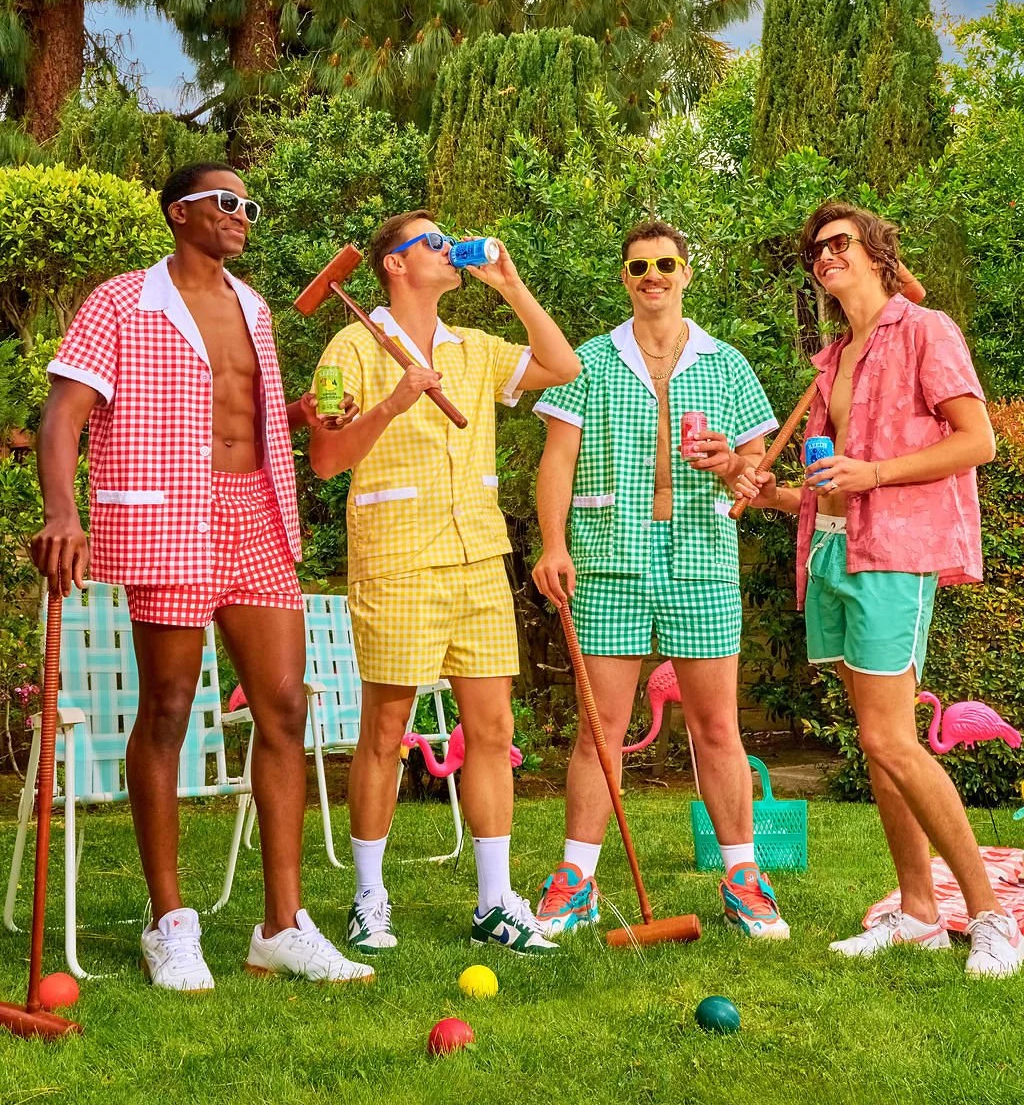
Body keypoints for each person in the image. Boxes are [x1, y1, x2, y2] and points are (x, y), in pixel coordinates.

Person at [31, 162, 373, 991]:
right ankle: (170, 923)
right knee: (172, 705)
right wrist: (63, 513)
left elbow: (245, 415)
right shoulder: (120, 301)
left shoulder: (254, 306)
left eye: (249, 206)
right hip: (166, 513)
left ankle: (282, 927)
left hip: (253, 510)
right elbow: (64, 413)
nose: (243, 216)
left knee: (285, 703)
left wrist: (301, 417)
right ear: (181, 213)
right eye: (228, 203)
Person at [747, 200, 1023, 978]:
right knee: (880, 745)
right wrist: (755, 484)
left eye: (838, 244)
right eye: (815, 250)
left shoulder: (926, 332)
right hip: (834, 551)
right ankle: (918, 913)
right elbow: (823, 494)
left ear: (874, 253)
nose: (824, 256)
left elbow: (979, 440)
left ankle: (991, 916)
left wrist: (871, 475)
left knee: (890, 739)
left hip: (895, 554)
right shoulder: (833, 359)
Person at [310, 212, 580, 956]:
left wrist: (513, 287)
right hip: (396, 560)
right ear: (394, 265)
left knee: (492, 732)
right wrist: (397, 399)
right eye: (431, 242)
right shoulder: (353, 345)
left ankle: (495, 903)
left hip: (477, 559)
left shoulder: (473, 349)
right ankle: (369, 898)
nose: (447, 248)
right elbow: (326, 459)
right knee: (385, 734)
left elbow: (562, 368)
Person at [531, 220, 790, 940]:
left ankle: (744, 878)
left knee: (717, 728)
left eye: (666, 263)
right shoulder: (588, 361)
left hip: (701, 556)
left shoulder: (726, 364)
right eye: (639, 265)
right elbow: (556, 461)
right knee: (600, 729)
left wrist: (730, 466)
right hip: (609, 558)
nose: (653, 275)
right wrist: (553, 544)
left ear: (686, 273)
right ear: (625, 277)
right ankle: (575, 881)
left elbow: (757, 472)